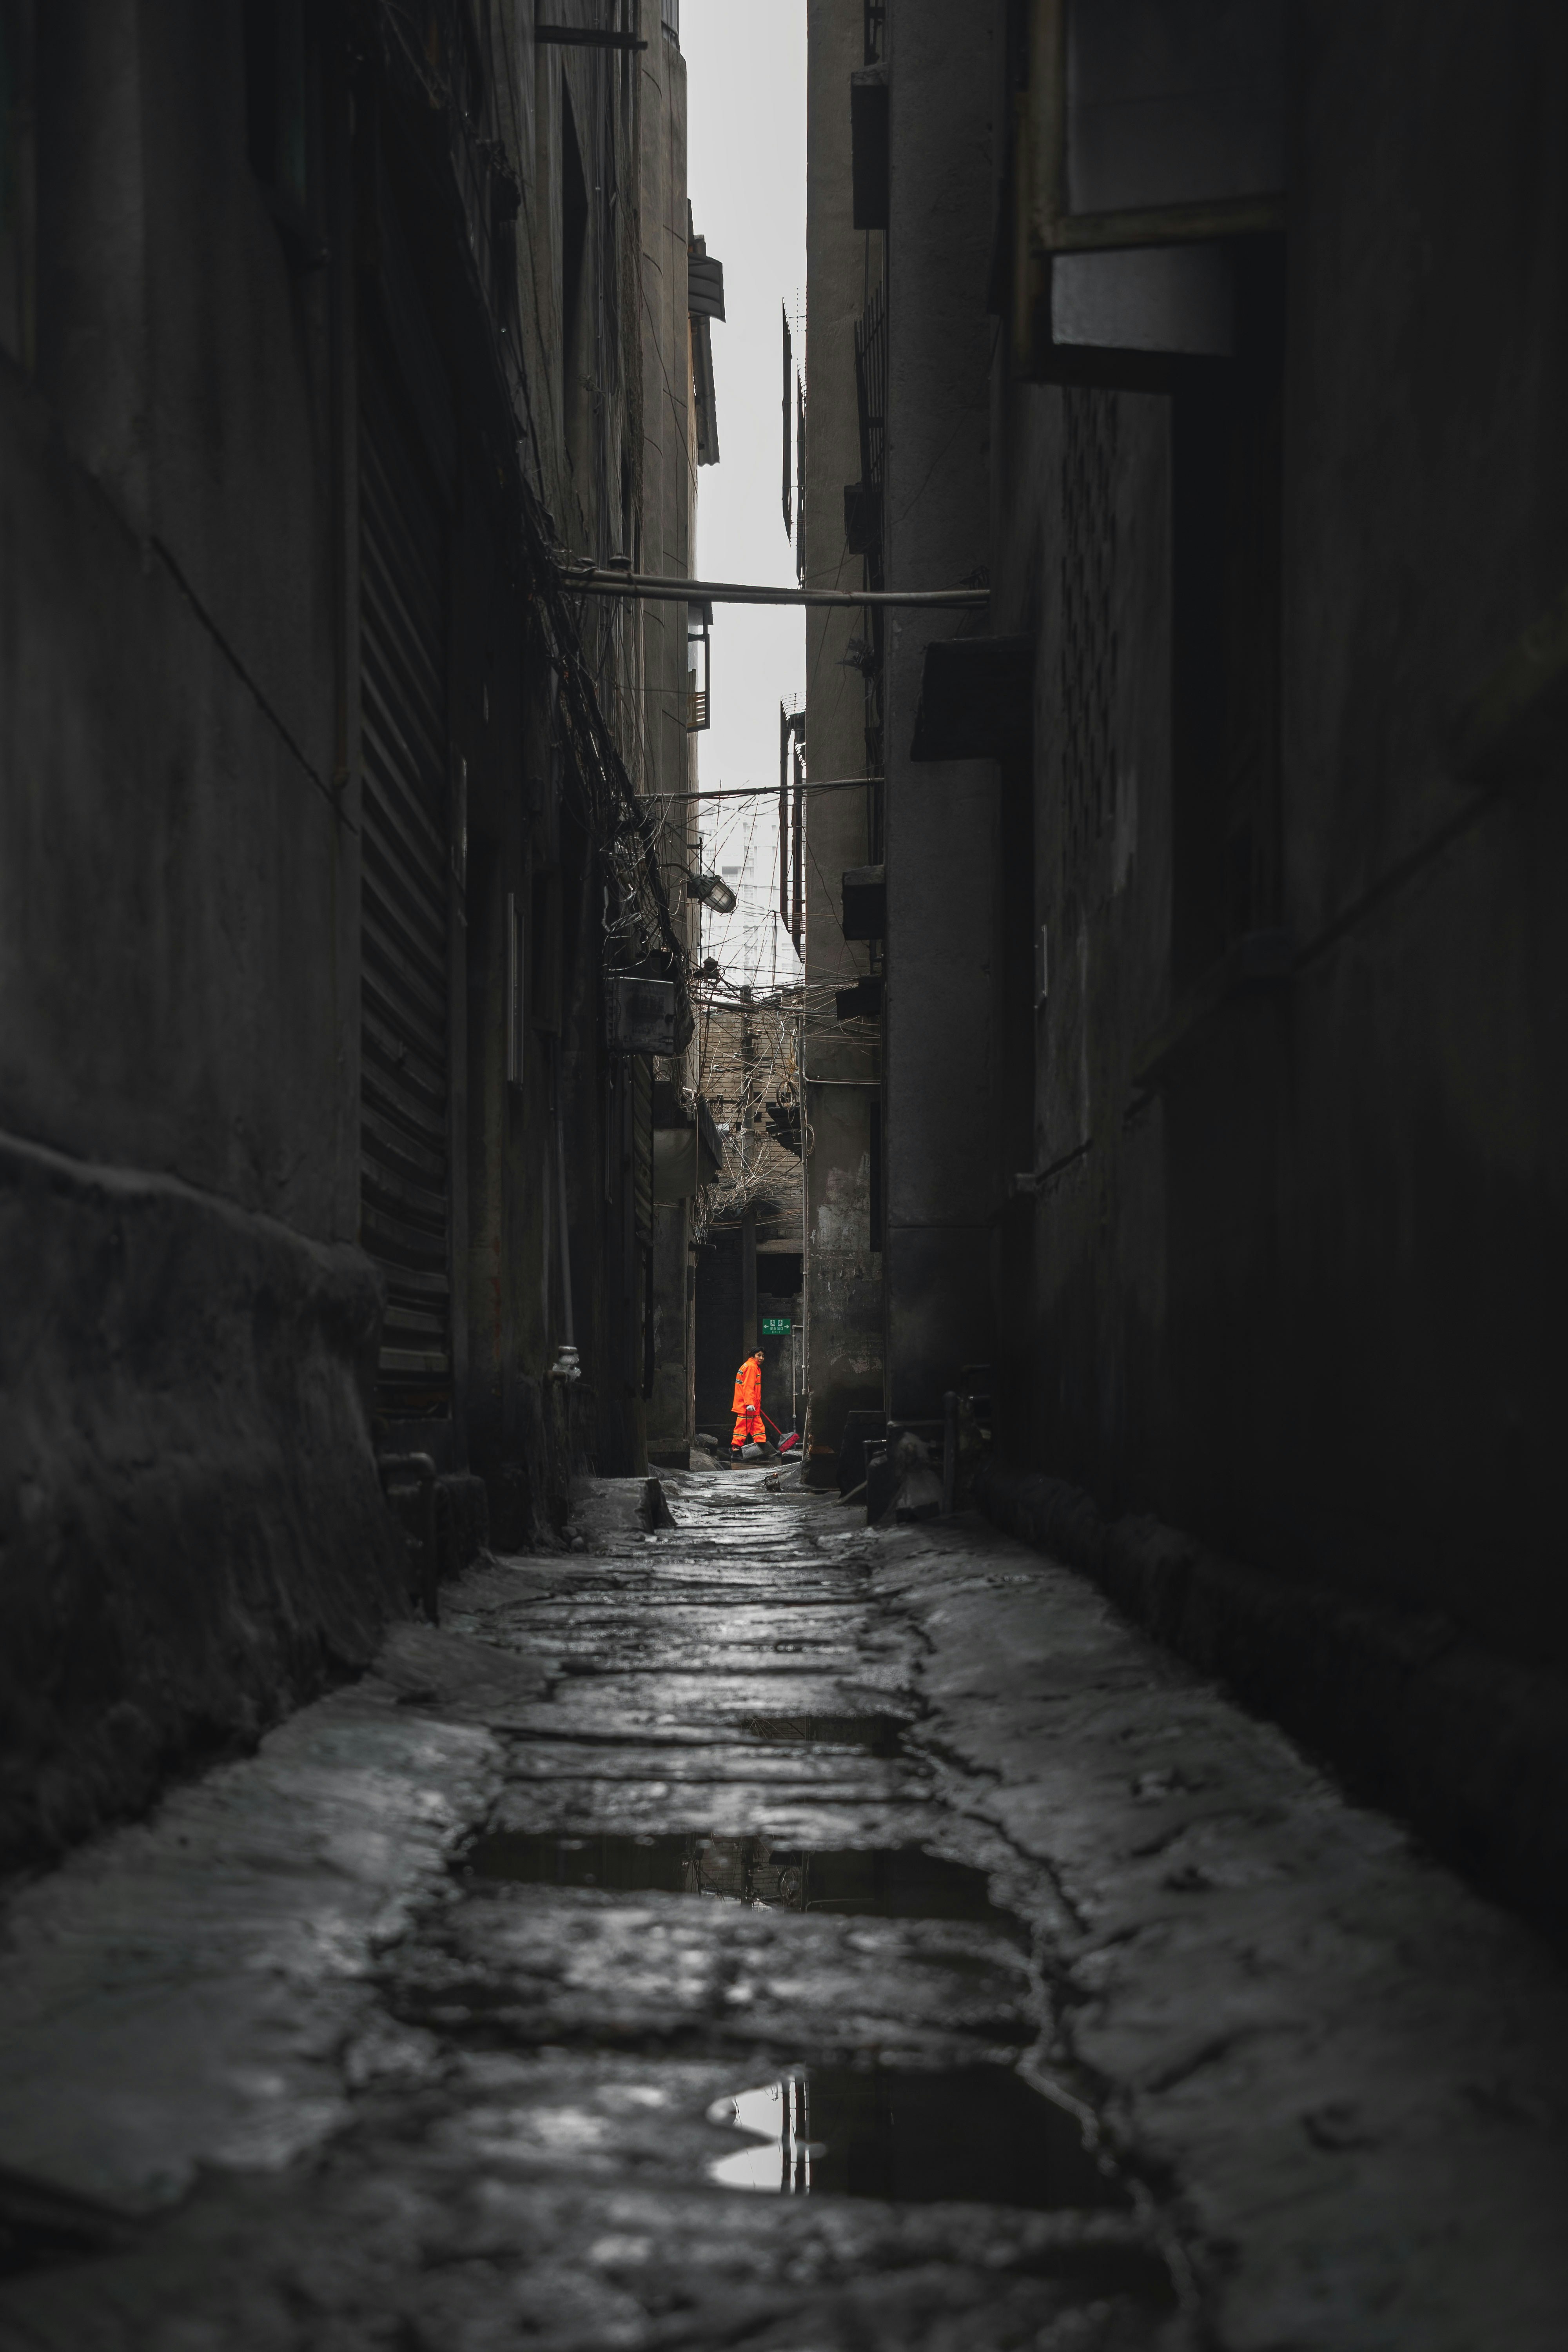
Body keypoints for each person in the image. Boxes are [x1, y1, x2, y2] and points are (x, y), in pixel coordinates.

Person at [730, 1348, 766, 1456]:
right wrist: (749, 1403)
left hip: (752, 1405)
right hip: (746, 1405)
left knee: (758, 1427)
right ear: (753, 1356)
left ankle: (761, 1447)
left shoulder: (751, 1366)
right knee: (742, 1428)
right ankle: (736, 1450)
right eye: (759, 1355)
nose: (761, 1358)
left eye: (763, 1356)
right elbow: (748, 1387)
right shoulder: (751, 1367)